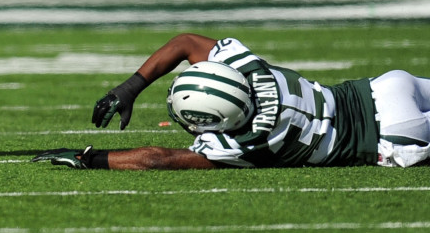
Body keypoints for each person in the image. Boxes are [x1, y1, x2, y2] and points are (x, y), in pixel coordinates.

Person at [32, 33, 430, 170]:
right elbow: (186, 44)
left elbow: (158, 159)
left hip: (392, 138)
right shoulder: (252, 67)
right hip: (386, 89)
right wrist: (130, 87)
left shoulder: (236, 143)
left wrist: (90, 157)